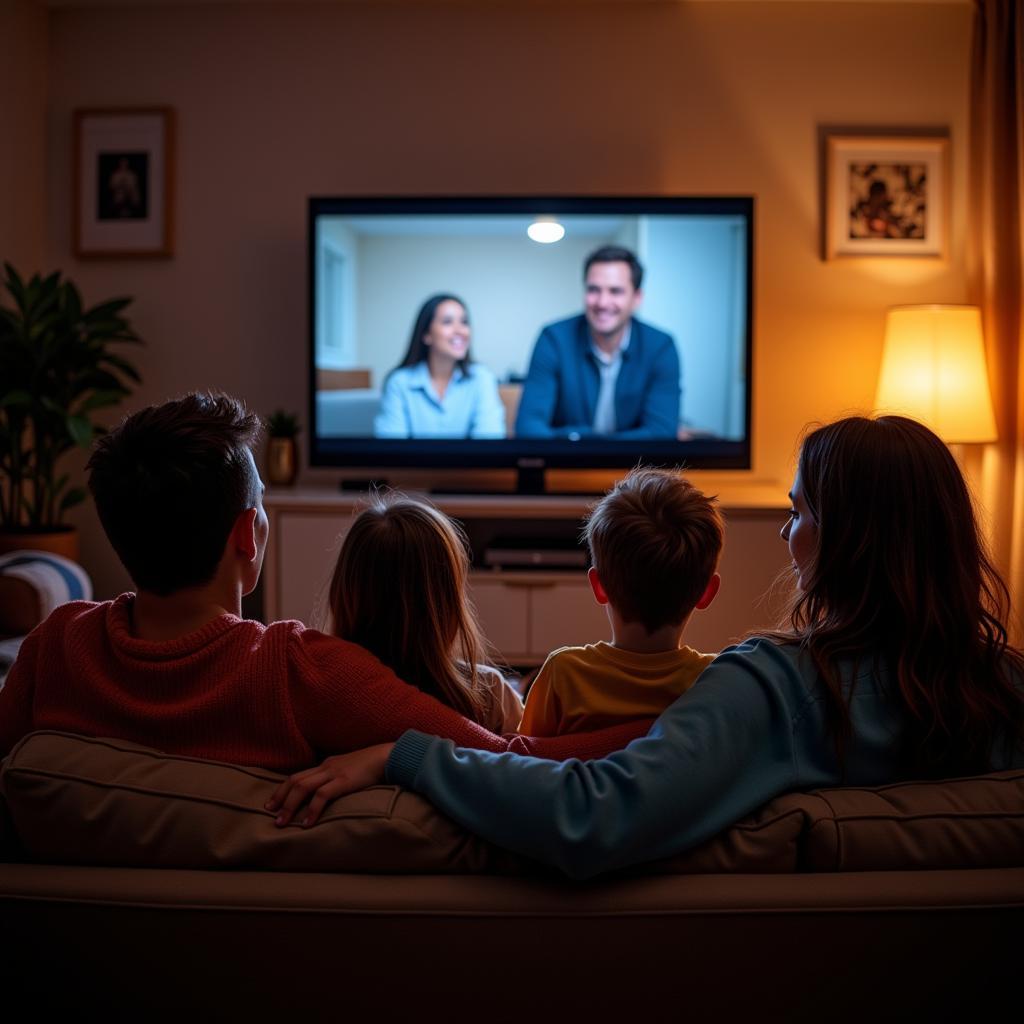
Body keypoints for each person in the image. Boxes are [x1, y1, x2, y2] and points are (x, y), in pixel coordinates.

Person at [268, 415, 1024, 878]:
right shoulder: (1001, 688)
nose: (789, 533)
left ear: (849, 541)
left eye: (799, 513)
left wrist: (403, 753)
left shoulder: (774, 691)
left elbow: (591, 816)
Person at [0, 392, 646, 771]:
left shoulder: (56, 645)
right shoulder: (300, 672)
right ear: (249, 537)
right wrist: (701, 714)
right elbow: (513, 759)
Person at [519, 468, 721, 736]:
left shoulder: (563, 674)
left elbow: (528, 758)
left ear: (598, 586)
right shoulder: (716, 680)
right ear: (707, 592)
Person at [328, 493, 522, 734]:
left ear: (342, 596)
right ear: (448, 605)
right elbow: (526, 763)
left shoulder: (325, 694)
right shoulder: (488, 694)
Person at [514, 246, 680, 439]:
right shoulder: (553, 339)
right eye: (594, 290)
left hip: (633, 468)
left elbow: (661, 433)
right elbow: (528, 427)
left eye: (615, 291)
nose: (602, 303)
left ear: (636, 298)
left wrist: (578, 439)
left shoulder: (661, 347)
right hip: (564, 467)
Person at [374, 294, 506, 439]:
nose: (460, 331)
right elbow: (392, 449)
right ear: (426, 335)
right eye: (447, 322)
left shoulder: (482, 378)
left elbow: (489, 444)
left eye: (464, 322)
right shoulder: (399, 383)